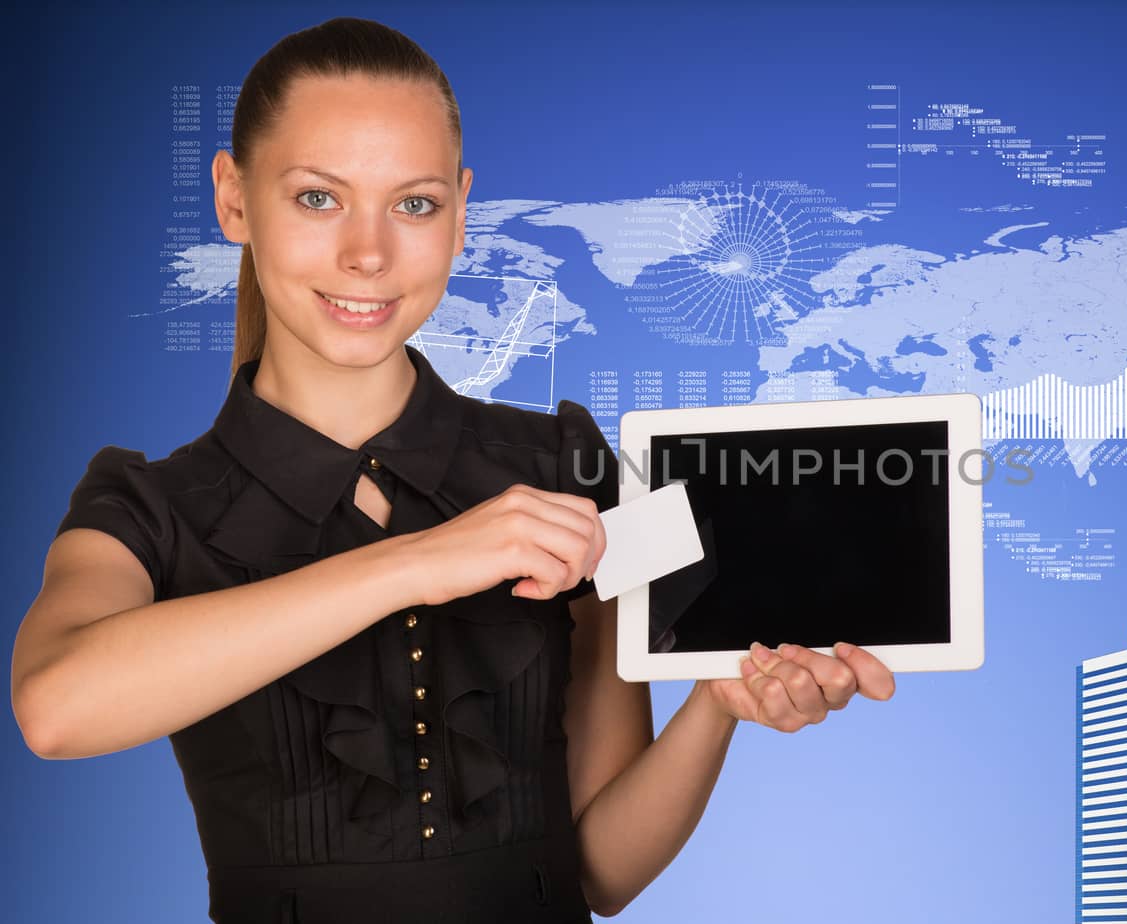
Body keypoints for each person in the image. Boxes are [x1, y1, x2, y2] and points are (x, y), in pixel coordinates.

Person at [10, 16, 894, 923]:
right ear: (234, 199)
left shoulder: (563, 468)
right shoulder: (148, 506)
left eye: (415, 204)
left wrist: (714, 710)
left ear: (462, 211)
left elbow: (602, 873)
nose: (369, 254)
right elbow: (56, 707)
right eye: (319, 198)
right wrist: (419, 561)